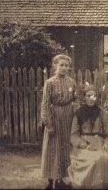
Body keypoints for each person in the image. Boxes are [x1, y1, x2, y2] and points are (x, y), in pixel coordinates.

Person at [40, 54, 81, 189]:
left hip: (68, 118)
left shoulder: (72, 82)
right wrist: (48, 123)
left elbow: (76, 99)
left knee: (65, 149)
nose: (64, 68)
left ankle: (61, 180)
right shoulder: (50, 82)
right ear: (55, 66)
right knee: (53, 149)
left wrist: (75, 108)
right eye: (61, 65)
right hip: (54, 118)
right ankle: (50, 181)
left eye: (66, 65)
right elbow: (45, 104)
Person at [68, 84, 108, 189]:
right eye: (88, 96)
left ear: (96, 98)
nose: (91, 99)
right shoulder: (79, 113)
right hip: (83, 145)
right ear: (85, 97)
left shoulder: (102, 113)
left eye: (94, 96)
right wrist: (84, 145)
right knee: (96, 159)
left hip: (99, 143)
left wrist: (107, 143)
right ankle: (94, 185)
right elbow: (74, 135)